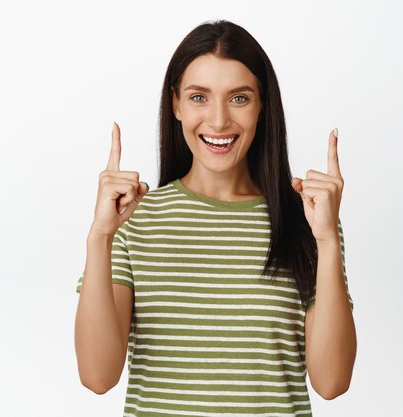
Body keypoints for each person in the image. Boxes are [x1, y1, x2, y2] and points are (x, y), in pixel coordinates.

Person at [74, 19, 356, 416]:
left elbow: (331, 383)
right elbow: (97, 376)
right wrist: (99, 237)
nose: (219, 120)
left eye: (239, 98)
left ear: (262, 106)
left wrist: (327, 240)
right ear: (175, 104)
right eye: (199, 97)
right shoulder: (132, 220)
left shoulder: (310, 220)